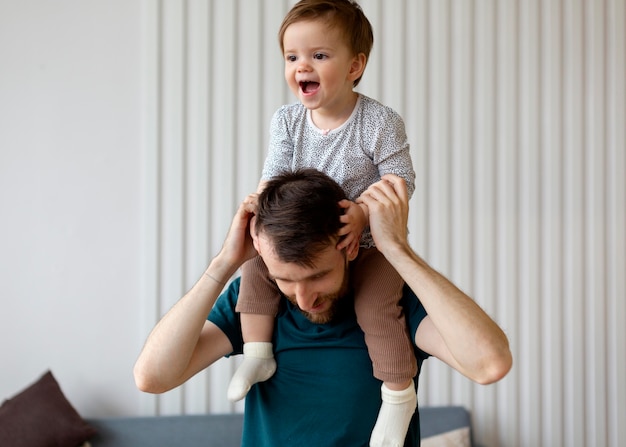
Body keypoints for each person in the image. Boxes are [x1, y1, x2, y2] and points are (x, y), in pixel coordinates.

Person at [134, 169, 512, 447]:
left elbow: (489, 364)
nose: (302, 298)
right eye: (285, 280)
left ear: (346, 249)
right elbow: (152, 378)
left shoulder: (390, 301)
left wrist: (397, 250)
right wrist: (224, 263)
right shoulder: (255, 308)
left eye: (317, 276)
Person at [232, 1, 418, 442]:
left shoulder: (378, 122)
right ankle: (258, 351)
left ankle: (397, 394)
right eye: (292, 57)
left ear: (355, 65)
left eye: (319, 55)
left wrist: (364, 211)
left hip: (367, 244)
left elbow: (401, 179)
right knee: (256, 268)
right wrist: (259, 209)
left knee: (377, 310)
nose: (302, 67)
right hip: (301, 244)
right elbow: (274, 174)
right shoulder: (288, 120)